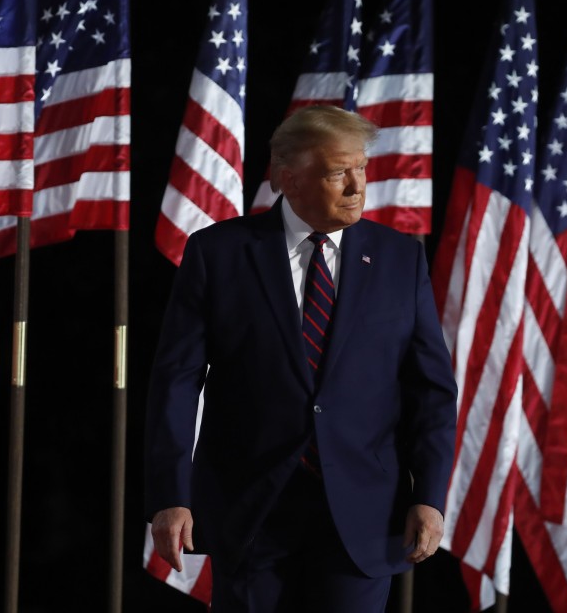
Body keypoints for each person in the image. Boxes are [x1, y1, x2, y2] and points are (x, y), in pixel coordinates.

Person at [145, 105, 459, 612]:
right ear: (286, 178)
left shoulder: (401, 259)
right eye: (339, 173)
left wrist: (430, 495)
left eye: (361, 169)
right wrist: (170, 496)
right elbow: (176, 383)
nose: (358, 187)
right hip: (250, 511)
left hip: (363, 515)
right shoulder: (217, 254)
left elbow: (432, 391)